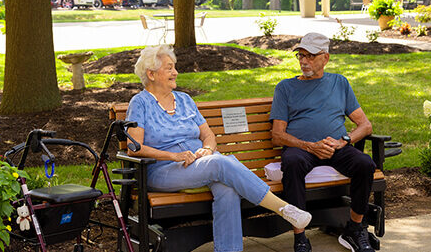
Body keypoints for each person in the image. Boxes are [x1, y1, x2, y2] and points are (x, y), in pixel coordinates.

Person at [125, 45, 311, 252]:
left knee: (227, 187)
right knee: (221, 164)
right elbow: (135, 148)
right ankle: (284, 209)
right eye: (169, 68)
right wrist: (173, 155)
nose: (175, 72)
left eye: (174, 67)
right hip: (163, 170)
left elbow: (208, 135)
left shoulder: (185, 100)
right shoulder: (140, 103)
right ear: (151, 74)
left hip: (200, 163)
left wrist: (208, 149)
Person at [270, 33, 377, 252]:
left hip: (335, 147)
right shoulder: (285, 88)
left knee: (365, 164)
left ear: (325, 58)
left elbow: (365, 126)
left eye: (309, 56)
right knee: (292, 163)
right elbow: (277, 135)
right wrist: (309, 146)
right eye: (301, 55)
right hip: (301, 149)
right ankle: (300, 236)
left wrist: (343, 142)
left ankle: (354, 229)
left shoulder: (339, 83)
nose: (303, 61)